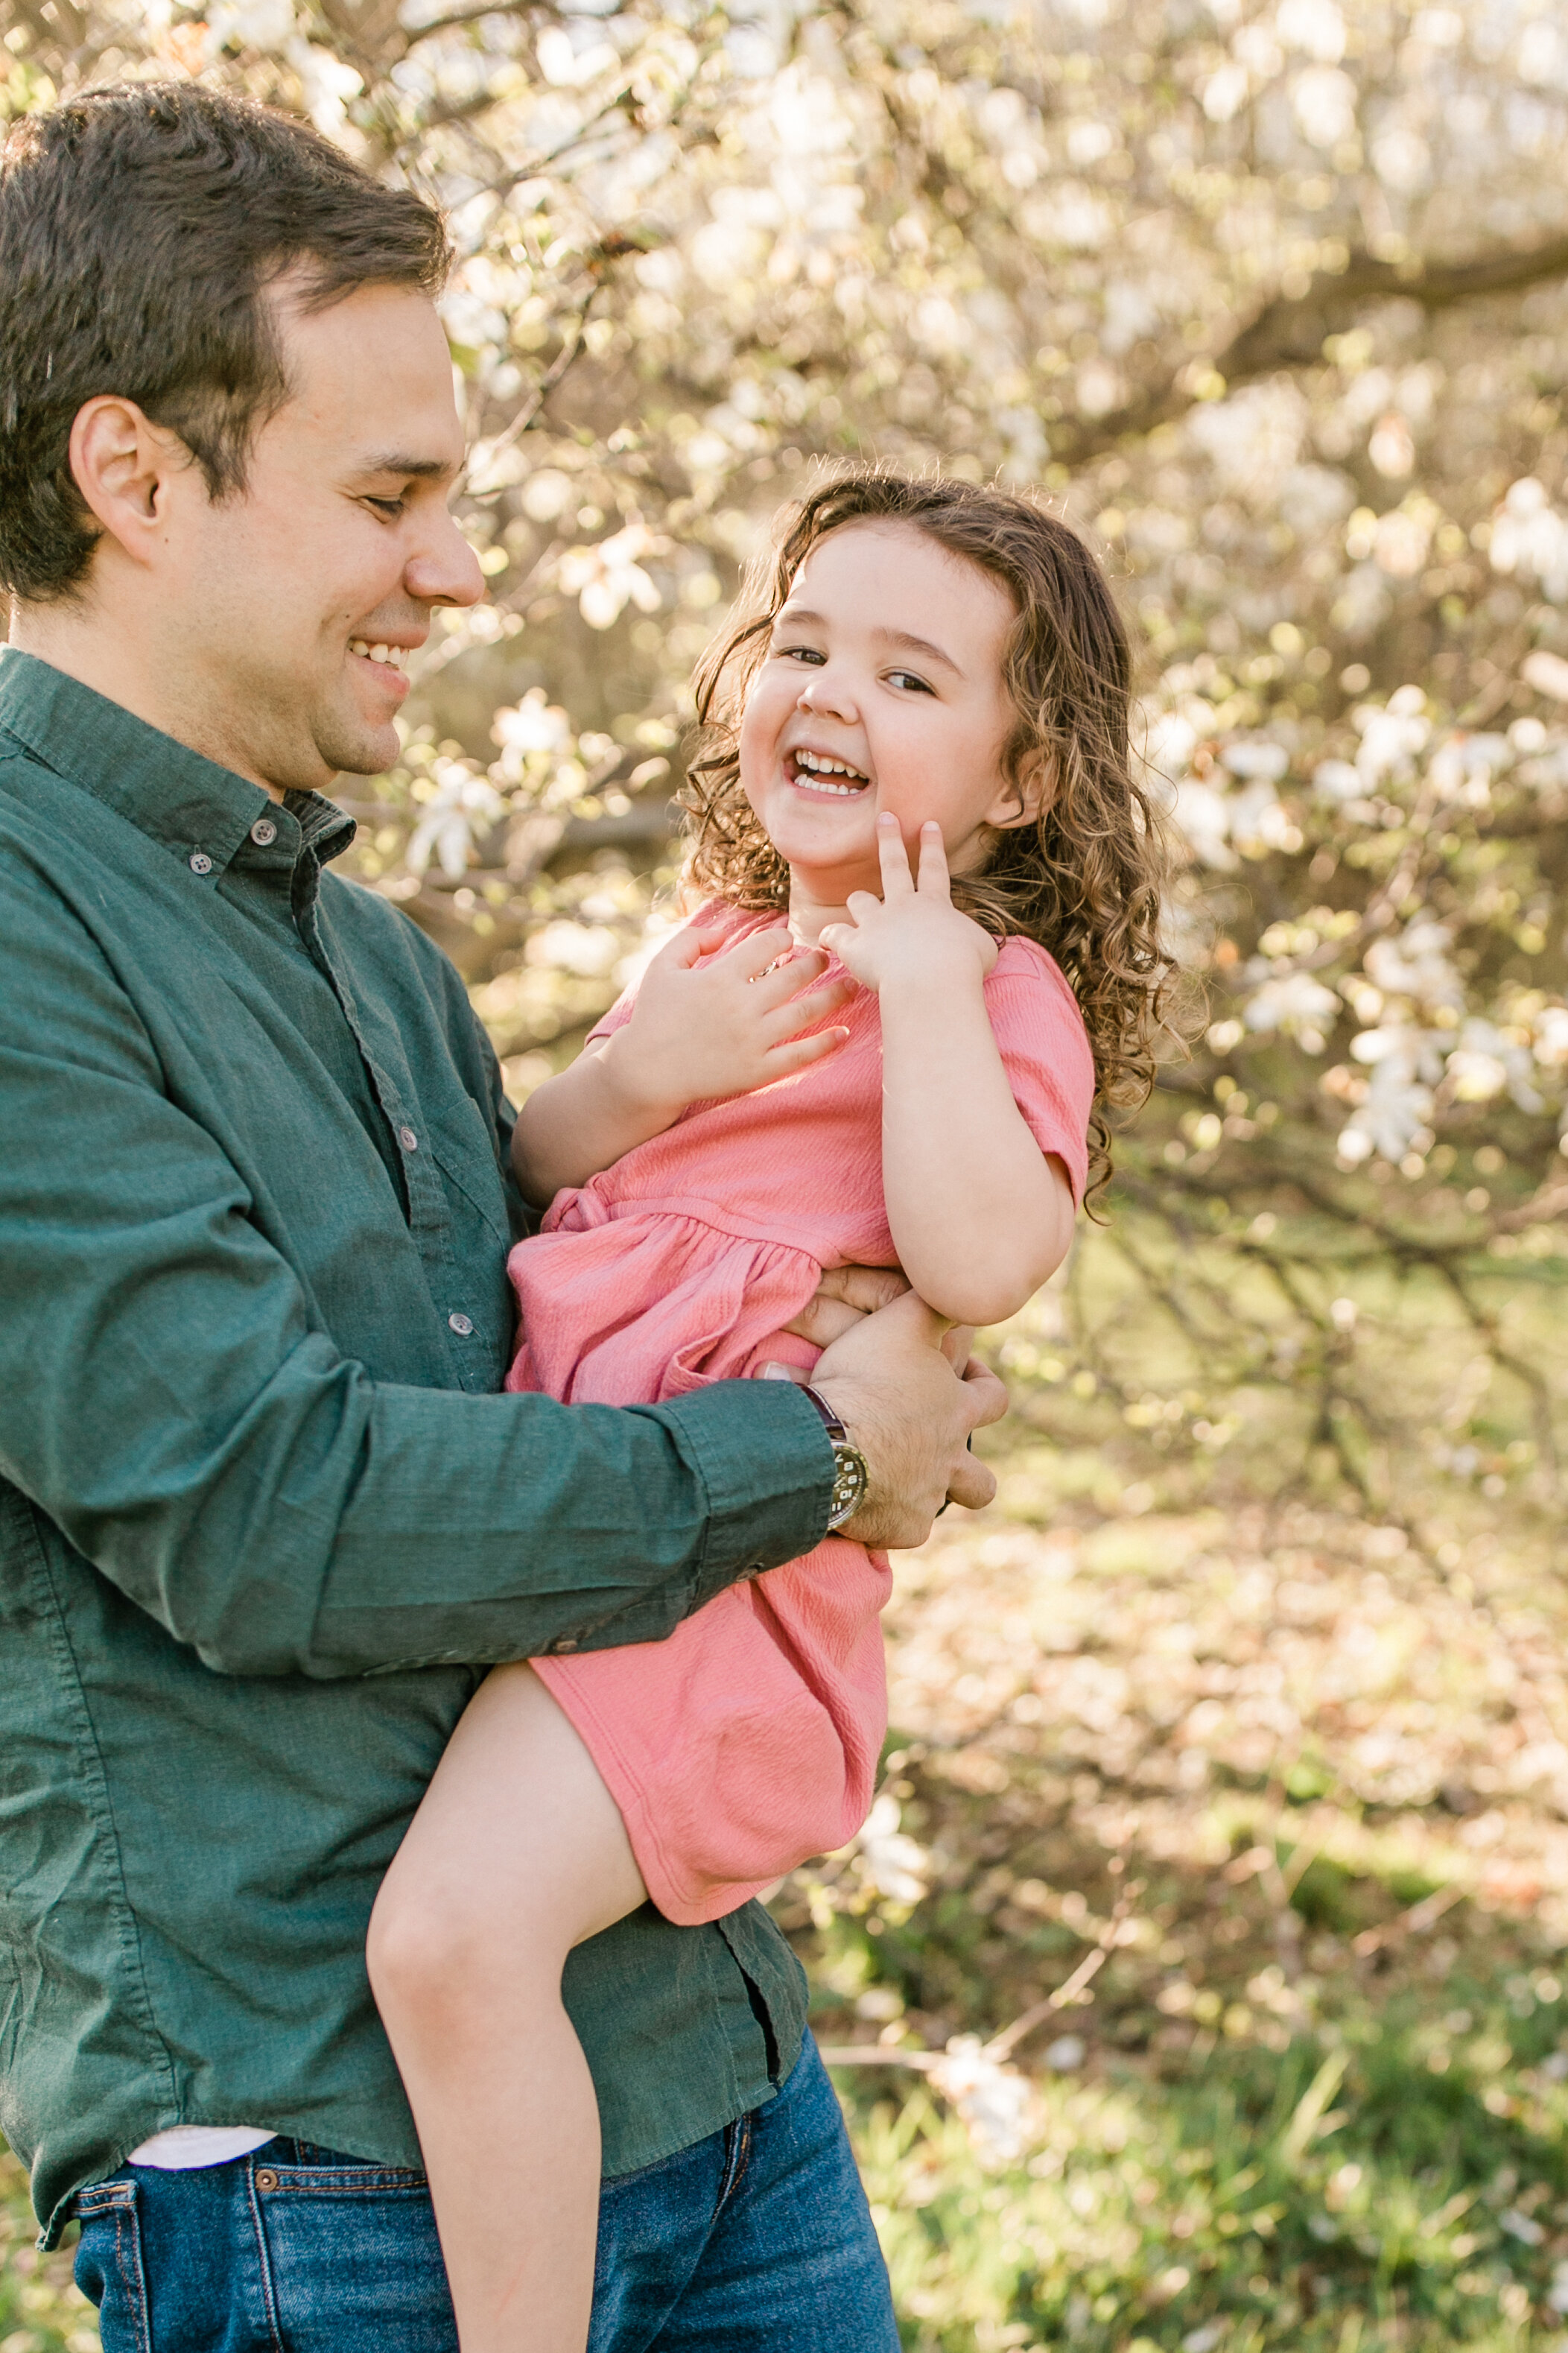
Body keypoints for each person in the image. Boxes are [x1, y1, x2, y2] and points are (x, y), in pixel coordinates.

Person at [0, 85, 1006, 2353]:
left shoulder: (373, 958)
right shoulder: (16, 930)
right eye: (390, 497)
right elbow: (271, 1509)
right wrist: (823, 1457)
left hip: (710, 2077)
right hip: (318, 2166)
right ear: (130, 475)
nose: (459, 573)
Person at [367, 471, 1172, 2351]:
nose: (828, 688)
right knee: (455, 1933)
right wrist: (649, 1071)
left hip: (719, 1598)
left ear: (1021, 780)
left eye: (909, 676)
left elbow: (983, 1258)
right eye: (805, 640)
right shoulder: (710, 949)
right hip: (586, 1525)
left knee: (450, 1940)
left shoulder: (992, 985)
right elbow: (529, 1179)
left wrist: (930, 1002)